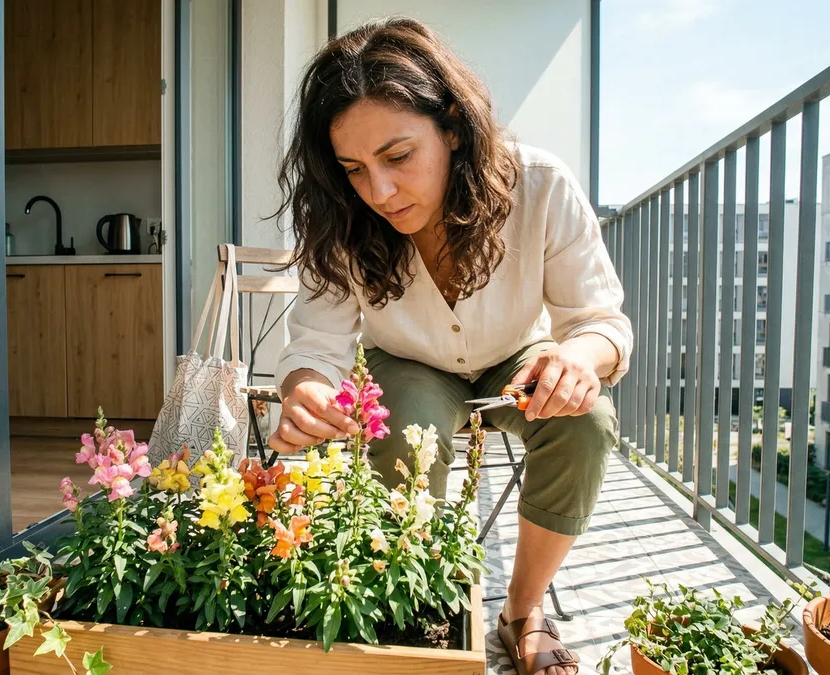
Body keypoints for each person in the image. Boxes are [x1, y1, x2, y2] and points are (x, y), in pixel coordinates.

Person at [268, 17, 631, 675]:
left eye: (399, 156)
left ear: (454, 128)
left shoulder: (541, 185)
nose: (377, 192)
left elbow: (601, 319)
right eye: (353, 168)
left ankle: (523, 610)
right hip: (405, 363)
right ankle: (415, 598)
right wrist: (306, 389)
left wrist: (579, 360)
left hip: (517, 359)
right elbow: (316, 344)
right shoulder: (345, 219)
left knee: (587, 419)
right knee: (406, 424)